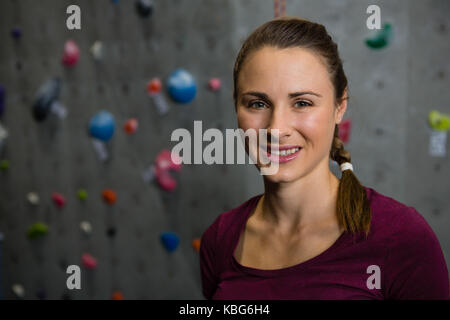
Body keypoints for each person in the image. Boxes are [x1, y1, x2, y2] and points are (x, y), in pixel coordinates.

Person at [199, 17, 449, 300]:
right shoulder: (219, 240)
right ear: (236, 106)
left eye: (302, 103)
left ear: (339, 107)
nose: (276, 129)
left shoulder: (402, 237)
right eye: (257, 103)